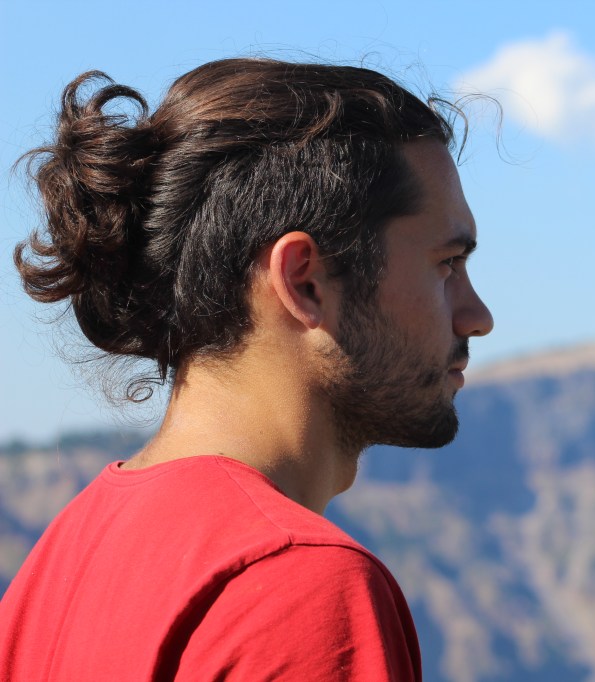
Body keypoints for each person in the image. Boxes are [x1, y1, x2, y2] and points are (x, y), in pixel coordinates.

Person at [0, 58, 493, 680]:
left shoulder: (61, 561)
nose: (478, 317)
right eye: (447, 264)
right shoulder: (299, 585)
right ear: (305, 282)